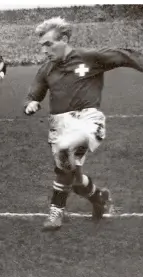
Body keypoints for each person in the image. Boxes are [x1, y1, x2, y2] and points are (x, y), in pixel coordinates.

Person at [24, 17, 143, 231]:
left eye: (48, 44)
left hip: (88, 120)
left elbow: (124, 55)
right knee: (74, 179)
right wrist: (31, 103)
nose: (44, 50)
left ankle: (56, 212)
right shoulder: (46, 69)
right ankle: (99, 198)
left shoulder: (89, 58)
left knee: (64, 153)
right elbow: (35, 93)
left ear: (65, 39)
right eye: (41, 45)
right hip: (59, 125)